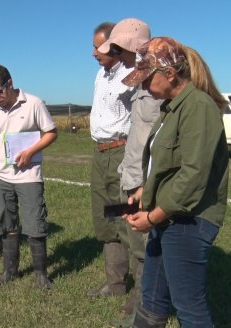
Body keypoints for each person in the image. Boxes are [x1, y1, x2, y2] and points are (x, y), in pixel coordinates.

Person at [123, 37, 228, 327]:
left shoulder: (198, 107)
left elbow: (194, 174)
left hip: (188, 222)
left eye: (146, 79)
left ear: (169, 74)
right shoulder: (171, 109)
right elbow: (169, 165)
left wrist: (154, 216)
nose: (142, 86)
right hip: (169, 217)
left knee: (189, 307)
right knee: (153, 298)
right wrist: (146, 193)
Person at [97, 18, 162, 317]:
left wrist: (144, 179)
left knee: (141, 239)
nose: (117, 57)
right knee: (120, 225)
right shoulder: (135, 80)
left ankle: (144, 301)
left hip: (143, 177)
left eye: (120, 50)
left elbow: (154, 137)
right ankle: (127, 289)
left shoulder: (158, 83)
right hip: (129, 171)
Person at [0, 64, 57, 289]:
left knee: (35, 224)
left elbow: (51, 132)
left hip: (29, 176)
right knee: (6, 224)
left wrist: (31, 151)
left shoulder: (33, 103)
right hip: (0, 177)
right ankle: (9, 272)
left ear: (9, 84)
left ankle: (41, 274)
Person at [87, 22, 135, 299]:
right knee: (105, 218)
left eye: (98, 47)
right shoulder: (100, 76)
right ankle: (115, 284)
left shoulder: (131, 73)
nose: (94, 53)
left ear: (115, 46)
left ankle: (140, 289)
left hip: (122, 151)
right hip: (100, 152)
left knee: (125, 217)